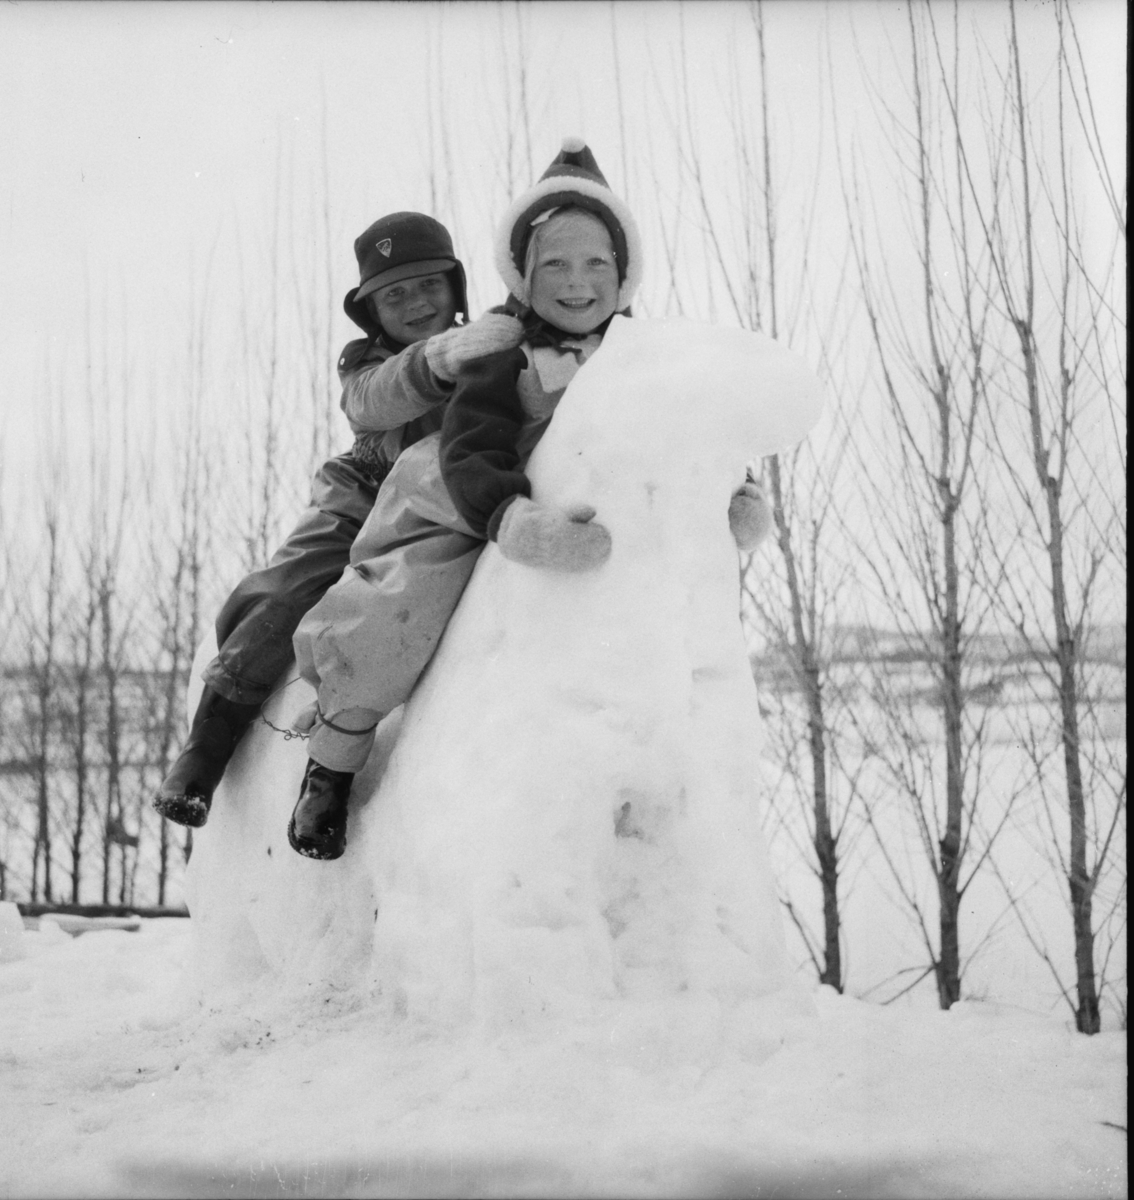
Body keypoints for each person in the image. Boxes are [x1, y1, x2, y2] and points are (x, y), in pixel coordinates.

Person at [288, 138, 771, 861]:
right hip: (472, 499)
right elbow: (470, 443)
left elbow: (702, 432)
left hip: (603, 524)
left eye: (595, 265)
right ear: (523, 273)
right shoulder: (503, 347)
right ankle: (335, 753)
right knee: (404, 603)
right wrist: (510, 518)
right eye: (555, 266)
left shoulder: (654, 354)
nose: (576, 284)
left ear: (624, 272)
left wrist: (737, 490)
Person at [152, 211, 522, 828]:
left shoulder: (491, 343)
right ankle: (205, 749)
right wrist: (443, 357)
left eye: (429, 285)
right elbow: (377, 398)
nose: (415, 303)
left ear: (455, 288)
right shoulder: (364, 363)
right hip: (365, 496)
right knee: (290, 589)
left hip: (444, 500)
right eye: (395, 295)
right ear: (372, 312)